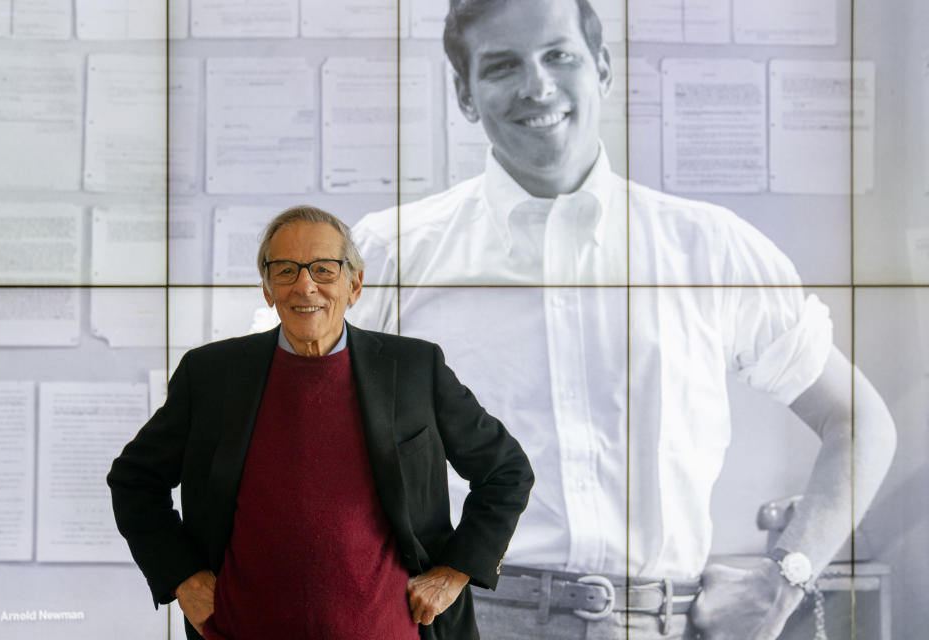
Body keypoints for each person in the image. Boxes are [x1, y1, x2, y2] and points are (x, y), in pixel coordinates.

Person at [347, 0, 897, 638]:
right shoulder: (390, 254)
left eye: (560, 56)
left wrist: (783, 582)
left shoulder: (709, 247)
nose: (538, 86)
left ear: (602, 68)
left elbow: (859, 421)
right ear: (465, 95)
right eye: (501, 66)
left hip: (663, 621)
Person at [107, 205, 534, 640]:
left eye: (324, 270)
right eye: (286, 270)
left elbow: (506, 471)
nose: (305, 285)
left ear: (355, 284)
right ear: (268, 288)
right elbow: (135, 479)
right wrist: (182, 576)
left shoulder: (414, 369)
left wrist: (457, 570)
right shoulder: (212, 375)